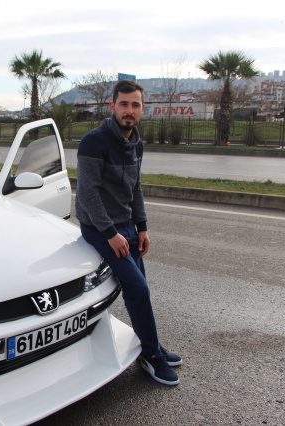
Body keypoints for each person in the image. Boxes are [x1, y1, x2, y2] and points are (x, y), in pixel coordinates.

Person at [75, 79, 182, 386]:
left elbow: (135, 188)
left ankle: (151, 345)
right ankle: (151, 355)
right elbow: (87, 194)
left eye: (135, 105)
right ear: (113, 106)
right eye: (124, 104)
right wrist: (110, 233)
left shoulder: (136, 142)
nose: (129, 110)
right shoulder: (94, 141)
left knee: (140, 289)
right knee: (138, 289)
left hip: (126, 226)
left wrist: (142, 226)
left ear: (142, 108)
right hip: (99, 228)